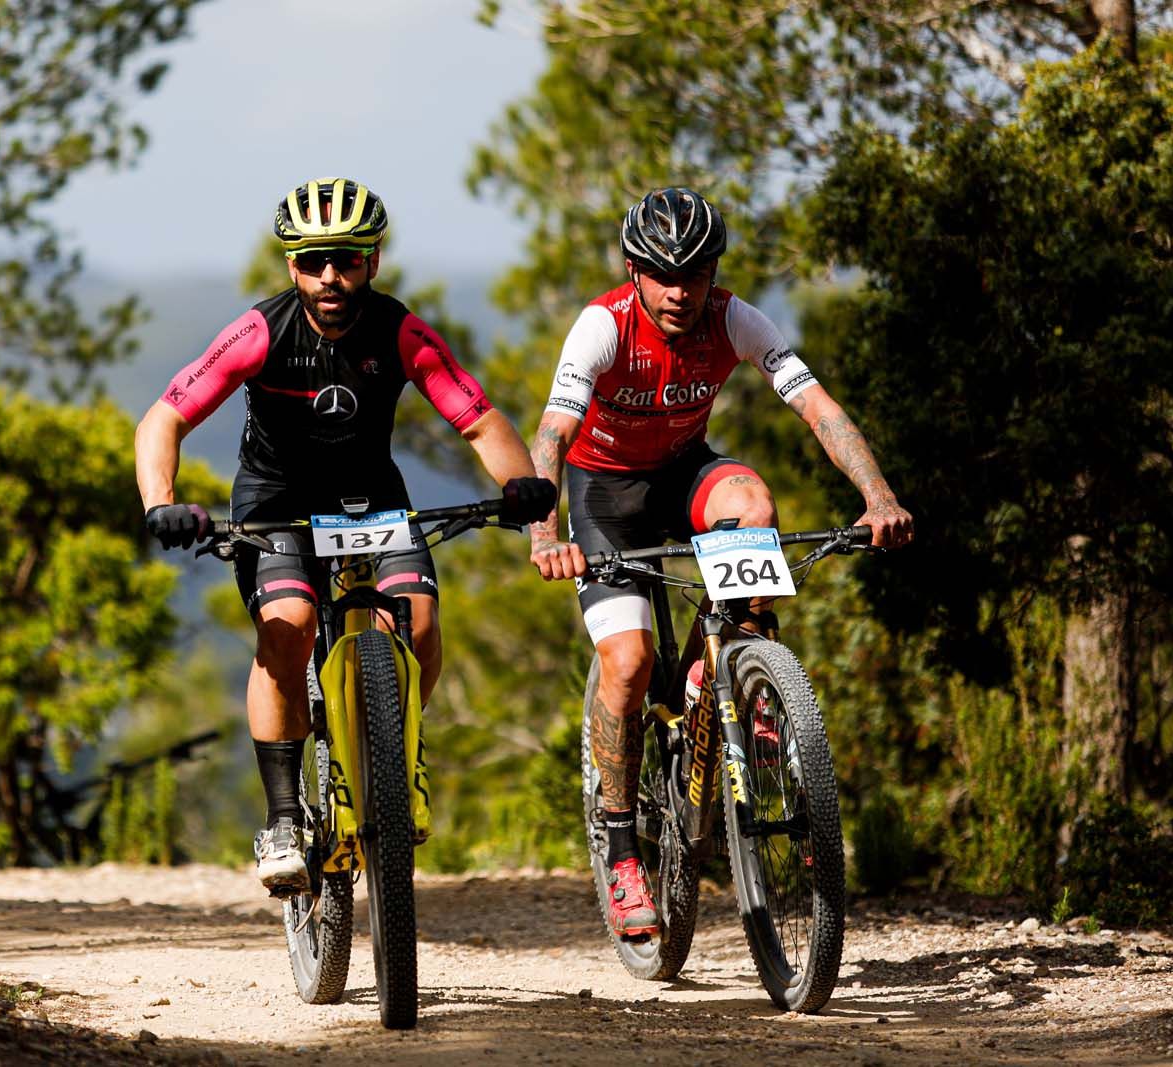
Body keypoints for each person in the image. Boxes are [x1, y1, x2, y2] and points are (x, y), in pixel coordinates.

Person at [135, 177, 554, 894]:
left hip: (369, 500)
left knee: (419, 620)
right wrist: (161, 502)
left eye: (348, 259)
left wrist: (524, 489)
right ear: (291, 266)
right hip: (276, 500)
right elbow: (163, 418)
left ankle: (397, 756)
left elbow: (480, 420)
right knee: (289, 623)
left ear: (374, 260)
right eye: (313, 260)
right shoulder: (260, 332)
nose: (331, 276)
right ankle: (282, 820)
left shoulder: (399, 331)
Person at [527, 187, 913, 939]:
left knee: (755, 505)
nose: (680, 291)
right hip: (606, 495)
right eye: (663, 275)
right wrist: (546, 533)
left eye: (695, 274)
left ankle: (735, 668)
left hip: (682, 473)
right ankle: (620, 853)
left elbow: (819, 409)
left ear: (713, 273)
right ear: (634, 271)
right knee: (631, 662)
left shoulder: (736, 319)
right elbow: (550, 438)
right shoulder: (601, 327)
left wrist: (878, 495)